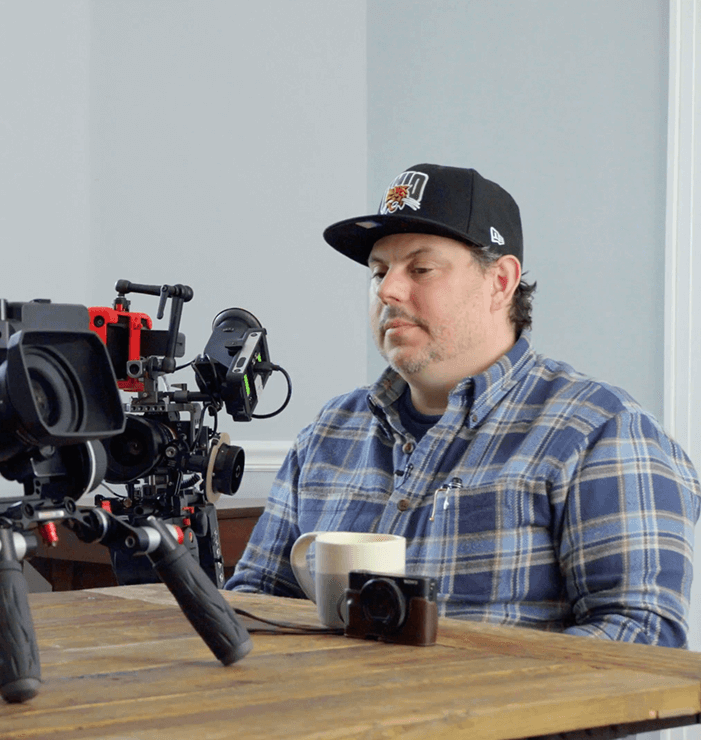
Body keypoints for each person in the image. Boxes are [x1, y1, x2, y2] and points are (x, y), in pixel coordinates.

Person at [226, 163, 701, 647]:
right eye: (378, 271)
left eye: (420, 269)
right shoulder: (331, 431)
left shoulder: (600, 430)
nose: (387, 290)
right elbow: (251, 605)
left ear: (501, 281)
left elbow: (641, 636)